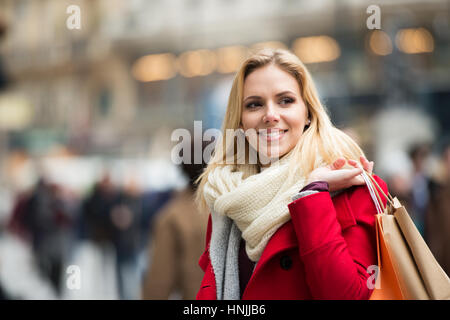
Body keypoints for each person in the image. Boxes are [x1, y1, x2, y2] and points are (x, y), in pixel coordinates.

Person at [194, 48, 388, 300]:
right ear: (240, 121)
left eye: (285, 100)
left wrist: (313, 194)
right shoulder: (228, 196)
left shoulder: (353, 185)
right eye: (254, 104)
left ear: (308, 112)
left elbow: (348, 296)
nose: (270, 115)